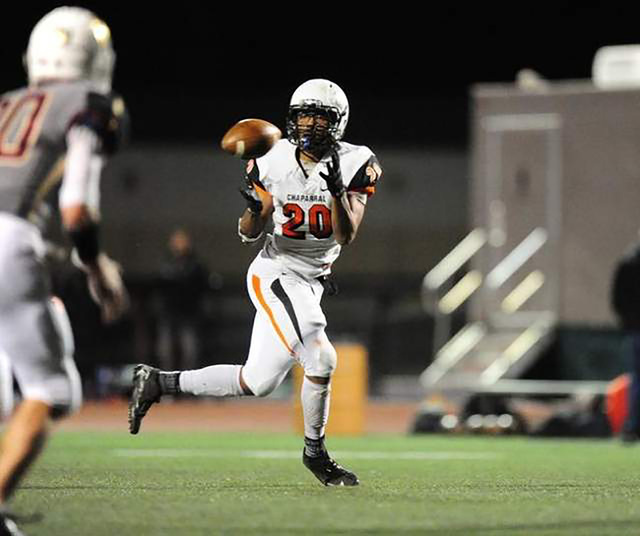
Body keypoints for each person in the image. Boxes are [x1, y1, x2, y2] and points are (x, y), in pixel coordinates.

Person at [129, 78, 382, 486]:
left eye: (320, 117)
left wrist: (335, 190)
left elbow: (346, 234)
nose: (310, 125)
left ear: (338, 122)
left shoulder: (357, 162)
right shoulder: (271, 157)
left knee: (258, 380)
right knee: (321, 357)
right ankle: (315, 453)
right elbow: (248, 231)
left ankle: (158, 381)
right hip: (276, 272)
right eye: (303, 116)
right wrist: (254, 212)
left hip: (312, 281)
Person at [0, 7, 128, 534]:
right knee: (52, 389)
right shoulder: (88, 105)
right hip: (9, 241)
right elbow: (77, 205)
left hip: (13, 240)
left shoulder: (8, 104)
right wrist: (96, 265)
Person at [154, 228, 212, 371]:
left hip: (189, 313)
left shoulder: (195, 266)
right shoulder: (166, 266)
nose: (179, 245)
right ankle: (167, 380)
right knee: (166, 349)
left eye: (182, 241)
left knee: (190, 349)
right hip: (169, 313)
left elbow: (202, 286)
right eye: (176, 242)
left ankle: (187, 382)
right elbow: (159, 287)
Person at [611, 240, 640, 443]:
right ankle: (632, 426)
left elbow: (617, 298)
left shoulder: (628, 261)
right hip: (636, 329)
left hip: (634, 329)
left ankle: (632, 427)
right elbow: (618, 298)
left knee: (636, 380)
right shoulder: (629, 262)